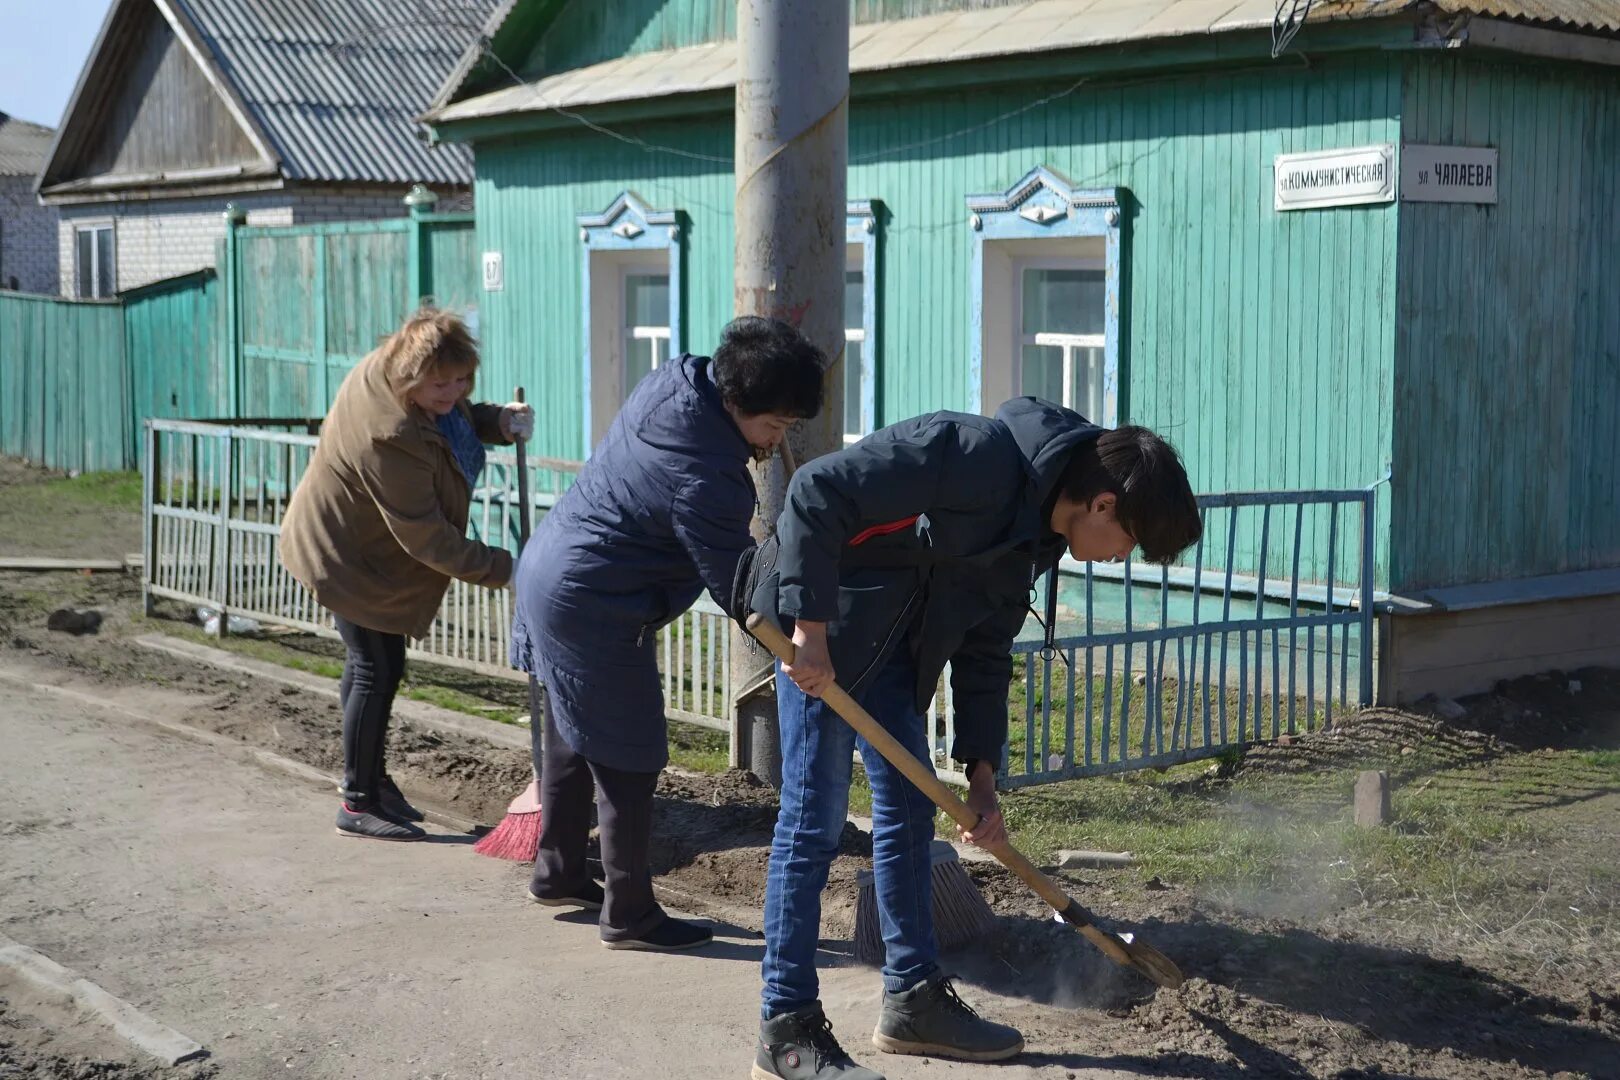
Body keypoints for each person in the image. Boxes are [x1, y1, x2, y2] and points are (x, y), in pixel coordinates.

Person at [747, 400, 1203, 1079]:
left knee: (907, 810)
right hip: (820, 628)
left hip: (892, 645)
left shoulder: (1038, 533)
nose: (1122, 557)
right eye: (1131, 543)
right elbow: (817, 489)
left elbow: (986, 644)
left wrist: (983, 778)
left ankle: (912, 1002)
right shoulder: (970, 455)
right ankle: (787, 1034)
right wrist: (811, 629)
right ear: (1104, 504)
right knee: (813, 823)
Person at [509, 315, 824, 952]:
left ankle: (559, 870)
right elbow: (739, 587)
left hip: (552, 567)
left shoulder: (679, 380)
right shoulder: (705, 476)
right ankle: (629, 914)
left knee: (575, 734)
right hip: (593, 599)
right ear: (737, 402)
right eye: (776, 425)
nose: (776, 440)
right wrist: (800, 640)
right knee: (629, 755)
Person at [280, 308, 533, 842]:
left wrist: (495, 422)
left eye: (463, 379)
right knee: (376, 665)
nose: (454, 390)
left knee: (373, 662)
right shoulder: (389, 433)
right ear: (411, 374)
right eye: (441, 383)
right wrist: (508, 569)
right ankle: (357, 800)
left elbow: (450, 419)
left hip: (366, 548)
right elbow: (426, 536)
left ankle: (370, 780)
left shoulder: (399, 371)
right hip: (348, 555)